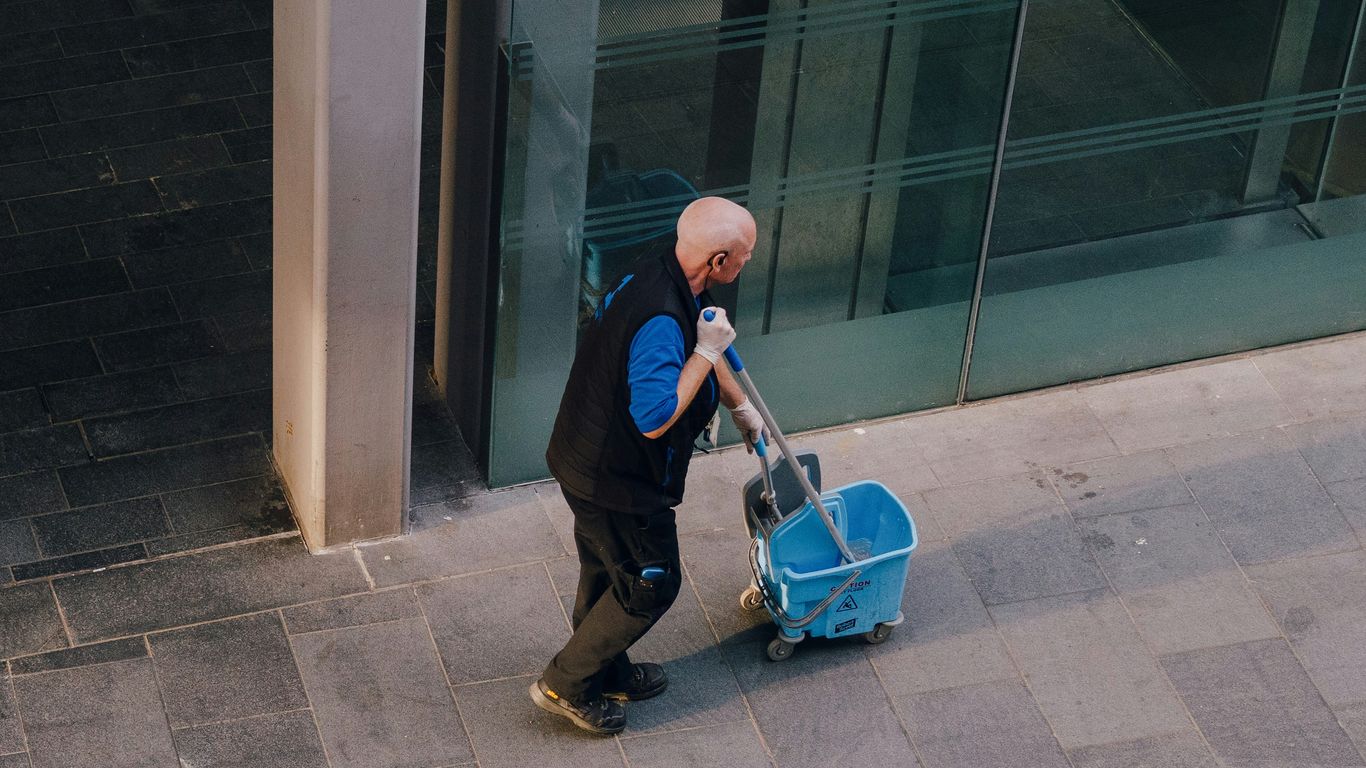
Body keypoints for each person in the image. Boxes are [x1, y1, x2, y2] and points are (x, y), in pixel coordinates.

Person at [531, 196, 768, 735]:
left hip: (584, 456)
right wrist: (707, 356)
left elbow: (707, 336)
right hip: (619, 481)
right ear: (718, 260)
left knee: (606, 567)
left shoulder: (660, 270)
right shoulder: (661, 317)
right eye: (745, 255)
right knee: (648, 583)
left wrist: (740, 406)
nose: (747, 262)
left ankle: (604, 668)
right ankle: (564, 683)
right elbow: (655, 419)